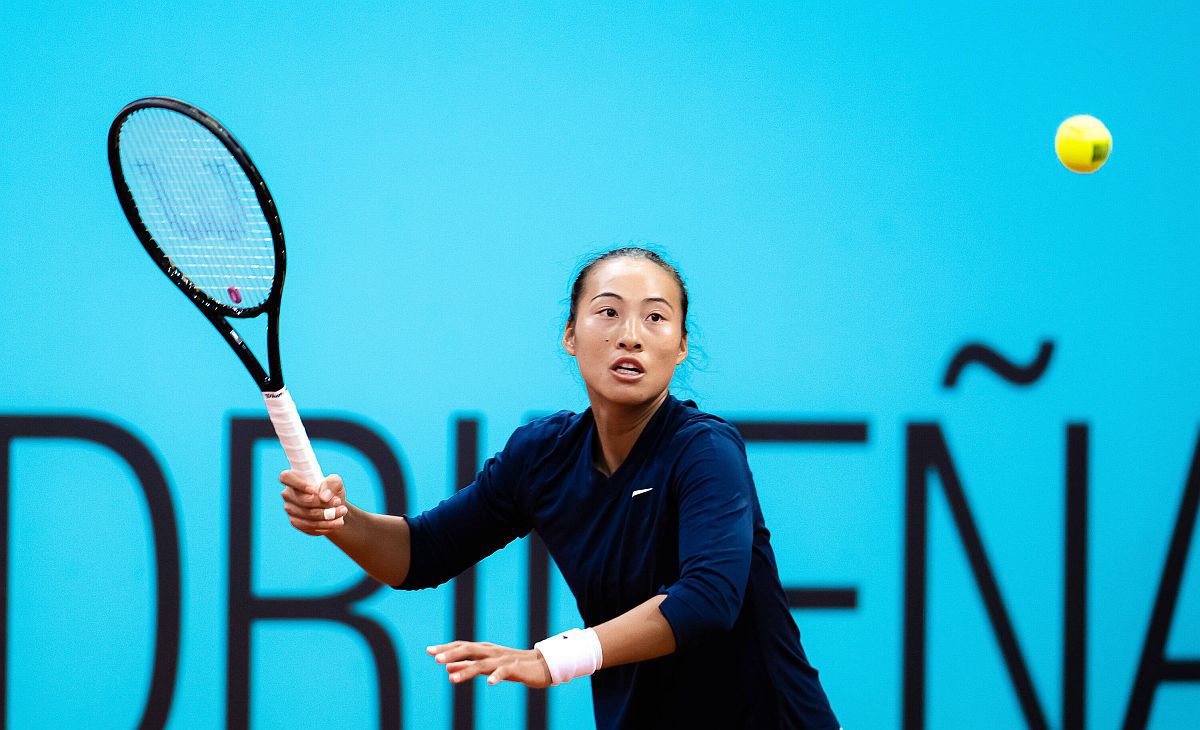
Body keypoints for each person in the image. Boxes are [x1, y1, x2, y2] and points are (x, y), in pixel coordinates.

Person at [279, 247, 841, 729]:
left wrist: (555, 658)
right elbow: (421, 553)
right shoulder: (543, 456)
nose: (630, 336)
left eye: (655, 318)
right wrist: (338, 519)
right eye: (608, 312)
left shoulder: (705, 451)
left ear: (681, 346)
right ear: (570, 335)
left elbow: (709, 598)